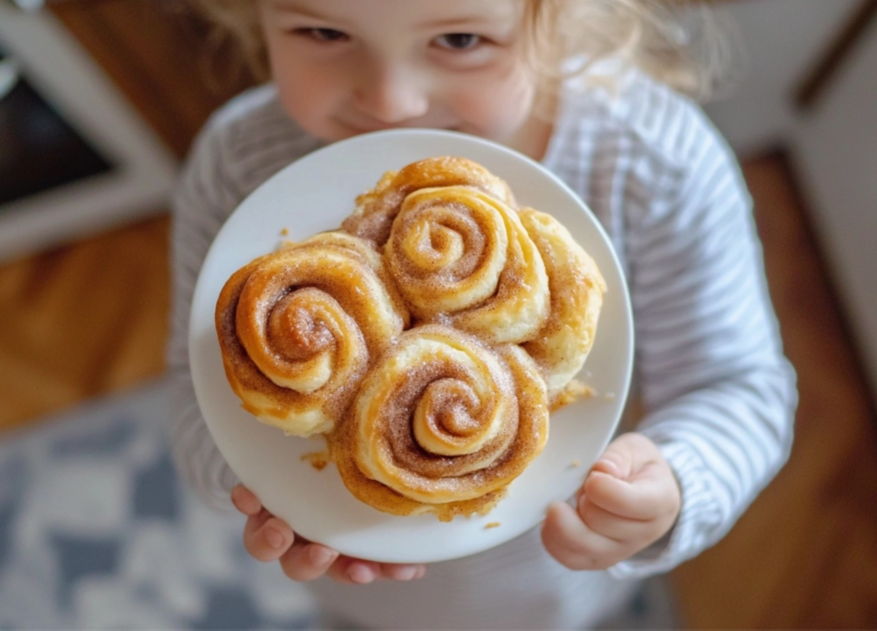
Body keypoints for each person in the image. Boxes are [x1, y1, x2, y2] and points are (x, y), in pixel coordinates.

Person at [168, 0, 798, 628]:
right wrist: (271, 492)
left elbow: (743, 391)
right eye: (324, 31)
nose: (392, 100)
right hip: (358, 577)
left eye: (461, 38)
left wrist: (675, 484)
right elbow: (193, 403)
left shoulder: (655, 162)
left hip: (550, 571)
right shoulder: (238, 164)